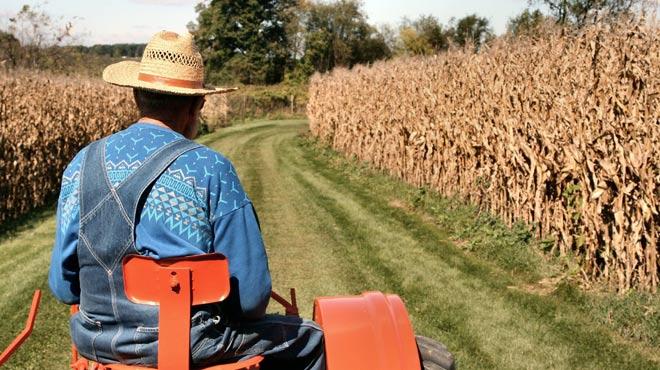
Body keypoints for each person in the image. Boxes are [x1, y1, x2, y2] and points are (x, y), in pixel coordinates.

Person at [48, 30, 325, 369]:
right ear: (198, 105)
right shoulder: (210, 169)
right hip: (189, 345)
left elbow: (64, 288)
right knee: (312, 339)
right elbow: (252, 299)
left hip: (96, 344)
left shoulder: (81, 164)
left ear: (136, 96)